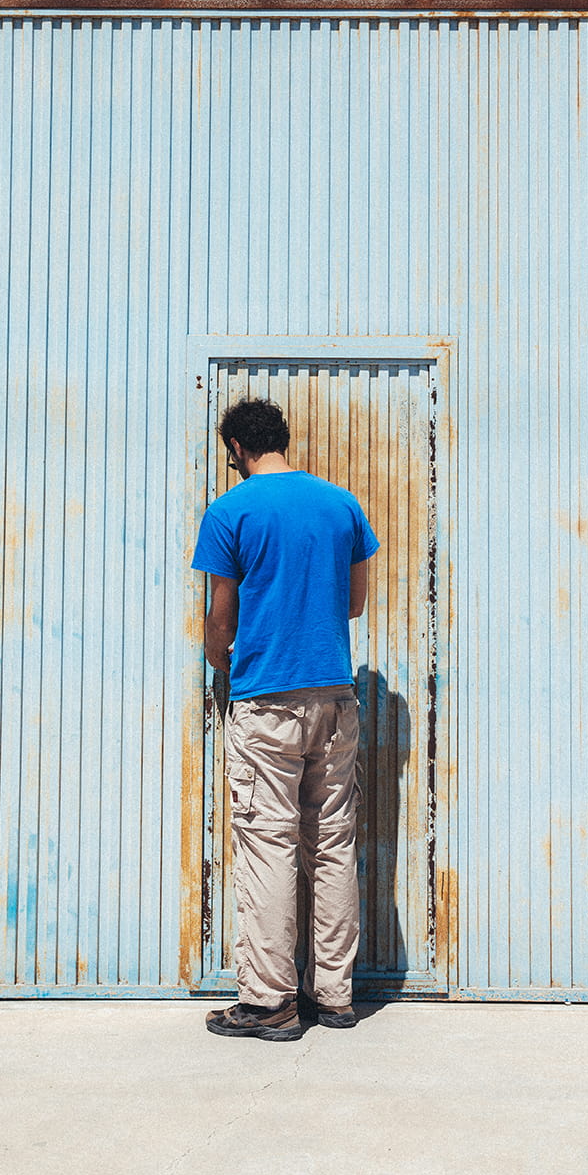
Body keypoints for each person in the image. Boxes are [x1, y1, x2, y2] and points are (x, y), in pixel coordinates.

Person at [191, 397, 379, 1042]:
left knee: (267, 843)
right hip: (334, 695)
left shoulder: (231, 511)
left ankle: (270, 1001)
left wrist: (220, 661)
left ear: (239, 447)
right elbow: (354, 605)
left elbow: (222, 617)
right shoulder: (341, 504)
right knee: (331, 840)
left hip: (268, 697)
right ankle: (333, 996)